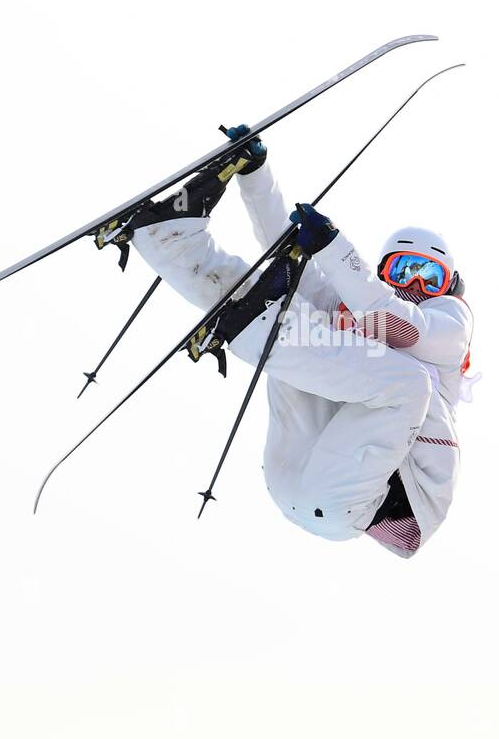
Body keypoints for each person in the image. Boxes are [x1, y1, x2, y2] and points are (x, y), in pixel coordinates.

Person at [131, 127, 473, 558]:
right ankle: (171, 241)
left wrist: (334, 246)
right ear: (384, 273)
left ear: (449, 288)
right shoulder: (356, 311)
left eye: (431, 278)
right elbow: (292, 252)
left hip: (376, 498)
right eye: (404, 271)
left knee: (407, 381)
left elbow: (401, 326)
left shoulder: (449, 326)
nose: (417, 285)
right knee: (305, 307)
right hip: (296, 469)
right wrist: (255, 175)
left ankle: (254, 327)